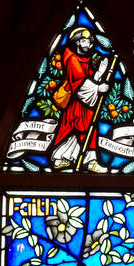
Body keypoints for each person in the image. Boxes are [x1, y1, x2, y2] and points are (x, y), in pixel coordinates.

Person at [50, 28, 110, 172]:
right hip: (75, 103)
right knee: (73, 128)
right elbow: (78, 83)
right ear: (76, 43)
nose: (87, 44)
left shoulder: (84, 59)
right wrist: (97, 88)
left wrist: (99, 73)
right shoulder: (72, 59)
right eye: (83, 41)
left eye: (88, 41)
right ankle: (61, 158)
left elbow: (88, 79)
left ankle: (90, 161)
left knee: (88, 129)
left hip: (84, 104)